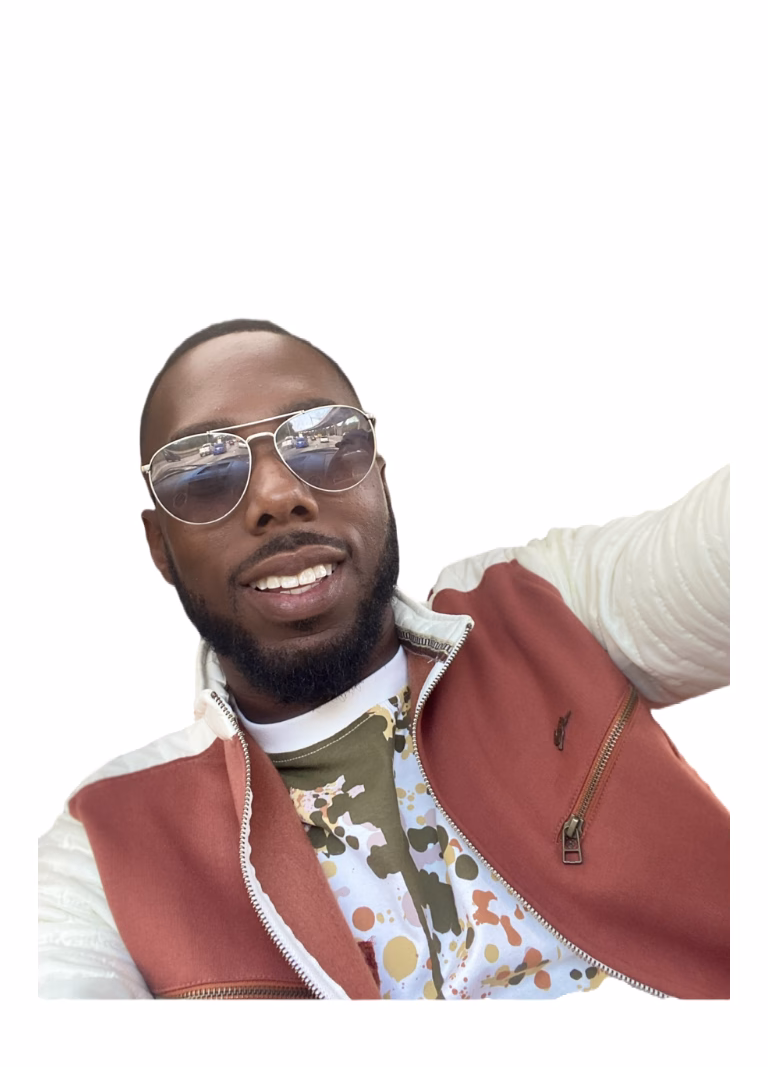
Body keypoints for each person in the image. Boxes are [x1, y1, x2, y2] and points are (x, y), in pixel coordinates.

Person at [38, 319, 729, 1001]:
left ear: (380, 479)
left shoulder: (549, 604)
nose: (278, 497)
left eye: (324, 441)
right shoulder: (101, 845)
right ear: (160, 547)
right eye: (205, 472)